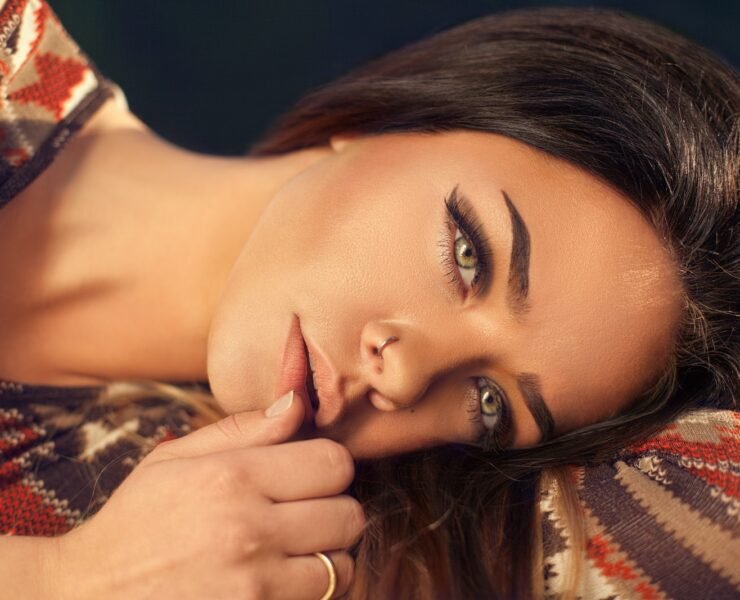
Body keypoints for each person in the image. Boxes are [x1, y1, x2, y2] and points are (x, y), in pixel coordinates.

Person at [0, 1, 737, 598]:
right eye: (469, 254)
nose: (408, 375)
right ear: (393, 116)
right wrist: (57, 579)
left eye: (489, 403)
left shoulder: (226, 543)